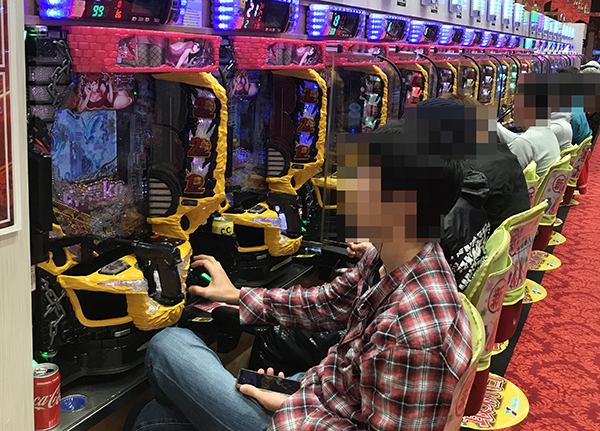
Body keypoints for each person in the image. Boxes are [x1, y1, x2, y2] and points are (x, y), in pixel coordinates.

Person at [132, 118, 473, 431]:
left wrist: (291, 407)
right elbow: (326, 303)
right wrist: (237, 294)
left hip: (309, 420)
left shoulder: (415, 333)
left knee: (167, 346)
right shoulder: (390, 259)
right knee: (150, 421)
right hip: (319, 394)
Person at [441, 94, 530, 232]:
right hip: (515, 239)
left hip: (488, 241)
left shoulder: (470, 174)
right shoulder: (505, 153)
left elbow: (448, 229)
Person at [496, 92, 561, 178]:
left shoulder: (525, 143)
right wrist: (496, 127)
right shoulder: (548, 133)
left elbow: (501, 176)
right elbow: (519, 140)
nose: (513, 107)